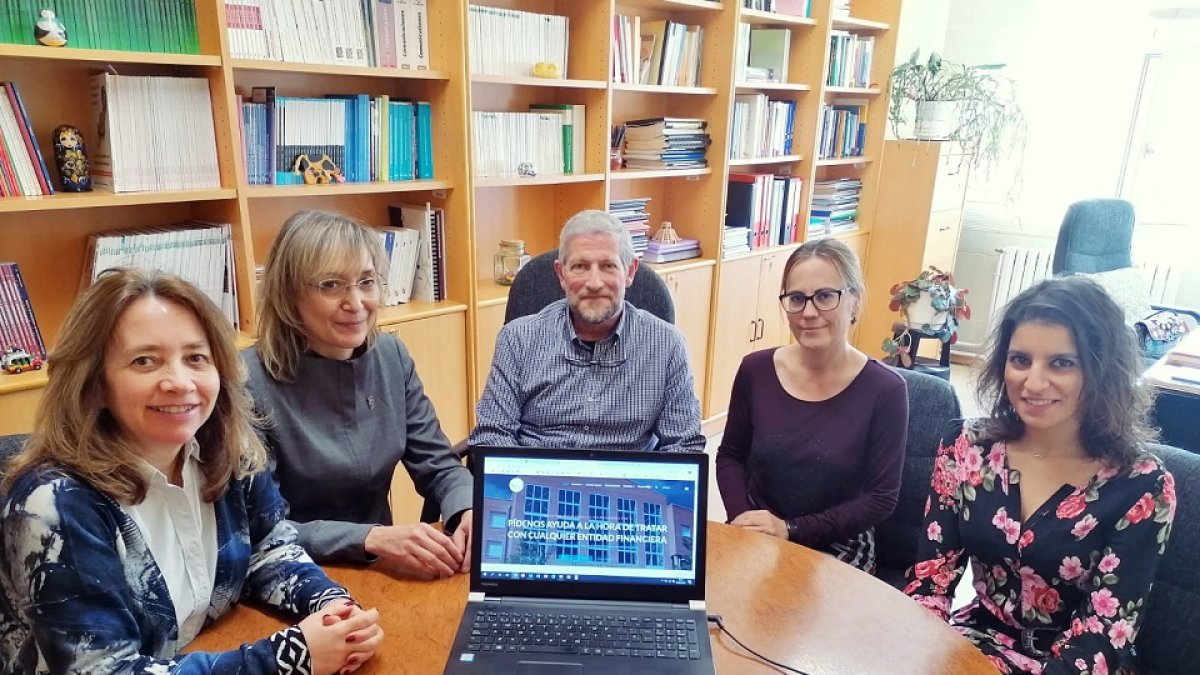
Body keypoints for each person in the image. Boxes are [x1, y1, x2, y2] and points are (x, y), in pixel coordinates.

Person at [0, 269, 384, 675]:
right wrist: (291, 658)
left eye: (196, 358)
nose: (180, 382)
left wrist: (330, 608)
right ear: (94, 383)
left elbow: (268, 548)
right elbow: (104, 670)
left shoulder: (229, 448)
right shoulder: (53, 504)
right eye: (145, 361)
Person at [905, 276, 1176, 674]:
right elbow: (933, 576)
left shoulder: (1143, 487)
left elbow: (1105, 634)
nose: (1032, 382)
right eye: (1020, 360)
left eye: (1061, 363)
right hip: (975, 643)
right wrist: (913, 647)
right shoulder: (967, 445)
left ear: (1102, 371)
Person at [245, 210, 473, 578]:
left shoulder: (390, 356)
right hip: (293, 573)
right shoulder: (248, 383)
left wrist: (466, 509)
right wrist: (371, 538)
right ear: (288, 294)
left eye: (366, 281)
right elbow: (265, 530)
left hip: (384, 569)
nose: (356, 303)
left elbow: (439, 463)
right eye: (331, 285)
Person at [715, 238, 907, 573]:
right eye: (797, 298)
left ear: (855, 301)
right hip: (761, 530)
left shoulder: (886, 390)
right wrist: (742, 517)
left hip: (838, 541)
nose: (809, 312)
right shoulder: (755, 370)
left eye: (825, 296)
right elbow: (730, 455)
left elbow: (881, 498)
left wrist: (791, 530)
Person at [469, 209, 705, 453]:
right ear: (561, 274)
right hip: (538, 480)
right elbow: (493, 435)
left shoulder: (667, 345)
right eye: (580, 266)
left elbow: (683, 446)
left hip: (627, 485)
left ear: (630, 272)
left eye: (608, 266)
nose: (594, 283)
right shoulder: (517, 339)